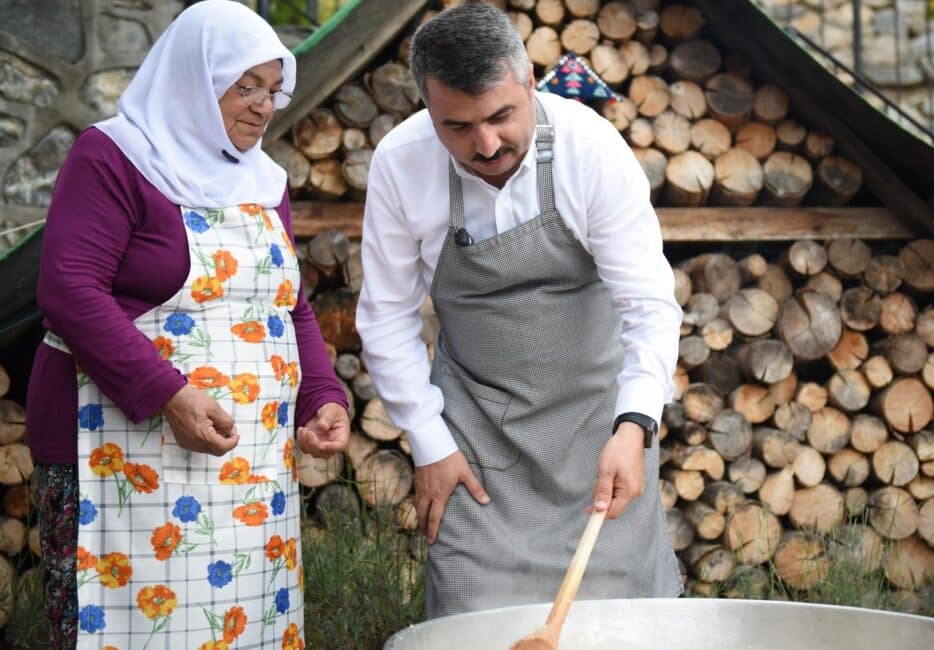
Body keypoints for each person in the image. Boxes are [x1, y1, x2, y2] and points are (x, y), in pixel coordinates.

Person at [27, 2, 349, 647]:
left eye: (273, 89)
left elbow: (285, 304)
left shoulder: (264, 180)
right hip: (122, 453)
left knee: (234, 628)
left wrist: (322, 395)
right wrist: (168, 394)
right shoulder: (115, 156)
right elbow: (68, 288)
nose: (264, 105)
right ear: (196, 81)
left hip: (251, 467)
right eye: (245, 86)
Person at [356, 4, 683, 619]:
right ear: (428, 111)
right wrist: (430, 444)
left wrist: (634, 425)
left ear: (531, 82)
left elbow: (648, 304)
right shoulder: (400, 163)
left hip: (599, 431)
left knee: (618, 623)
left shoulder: (590, 148)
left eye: (502, 116)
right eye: (457, 126)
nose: (486, 144)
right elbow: (386, 317)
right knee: (472, 618)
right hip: (478, 442)